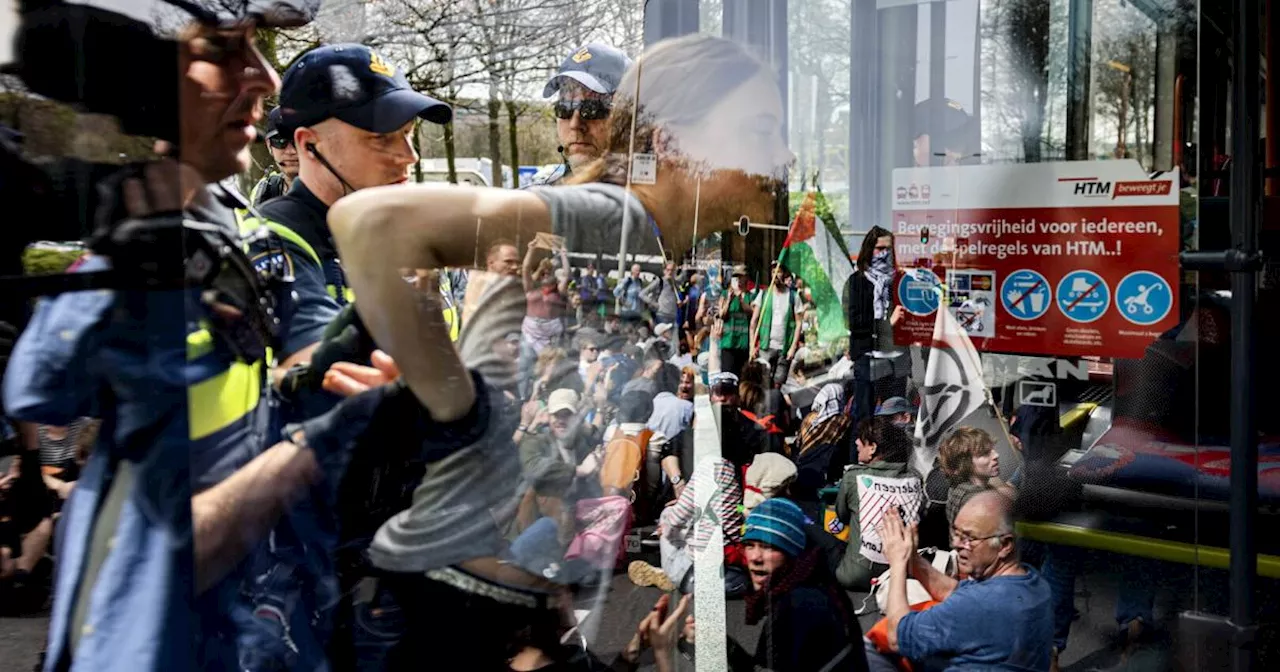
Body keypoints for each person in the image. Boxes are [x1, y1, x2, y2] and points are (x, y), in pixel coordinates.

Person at [3, 1, 331, 667]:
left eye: (258, 50)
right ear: (134, 78)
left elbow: (313, 337)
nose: (265, 79)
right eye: (221, 51)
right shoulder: (121, 234)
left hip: (244, 598)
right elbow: (42, 388)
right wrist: (131, 247)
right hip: (137, 614)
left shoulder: (247, 233)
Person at [246, 43, 455, 396]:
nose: (410, 156)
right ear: (309, 145)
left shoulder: (403, 226)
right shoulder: (272, 235)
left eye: (408, 132)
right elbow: (321, 373)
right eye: (382, 138)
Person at [680, 498, 870, 672]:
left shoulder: (799, 604)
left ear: (792, 552)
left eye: (768, 546)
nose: (755, 557)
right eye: (749, 545)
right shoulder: (813, 586)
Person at [871, 491, 1053, 670]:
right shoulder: (1034, 584)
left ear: (1005, 545)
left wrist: (897, 563)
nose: (956, 545)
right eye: (955, 534)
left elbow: (896, 636)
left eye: (969, 538)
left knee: (870, 650)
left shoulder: (977, 605)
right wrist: (913, 558)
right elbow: (953, 591)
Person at [528, 43, 633, 187]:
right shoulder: (541, 199)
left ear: (627, 119)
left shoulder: (645, 201)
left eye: (592, 109)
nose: (575, 124)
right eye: (565, 109)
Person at [834, 417, 918, 590]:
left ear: (872, 447)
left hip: (856, 575)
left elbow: (842, 516)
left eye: (861, 439)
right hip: (903, 573)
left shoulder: (853, 477)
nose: (856, 442)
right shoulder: (915, 479)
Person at [843, 226, 908, 422]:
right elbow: (853, 322)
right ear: (869, 249)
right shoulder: (857, 282)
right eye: (880, 248)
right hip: (868, 358)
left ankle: (889, 453)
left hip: (895, 360)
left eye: (889, 249)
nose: (884, 254)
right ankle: (863, 453)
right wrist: (887, 323)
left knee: (894, 422)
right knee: (864, 420)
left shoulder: (900, 282)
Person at [939, 426, 1016, 524]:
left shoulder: (958, 488)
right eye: (984, 454)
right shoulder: (979, 502)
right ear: (964, 463)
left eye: (992, 449)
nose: (996, 455)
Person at [750, 261, 802, 388]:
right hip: (765, 347)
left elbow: (799, 323)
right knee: (763, 382)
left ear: (784, 274)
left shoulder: (793, 296)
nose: (776, 275)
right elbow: (753, 322)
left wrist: (793, 347)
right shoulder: (764, 295)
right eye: (773, 272)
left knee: (778, 383)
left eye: (778, 271)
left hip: (784, 348)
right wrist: (752, 345)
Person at [249, 107, 297, 205]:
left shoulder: (332, 190)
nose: (290, 151)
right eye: (279, 141)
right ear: (269, 145)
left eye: (296, 141)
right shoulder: (262, 191)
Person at [718, 266, 754, 376]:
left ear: (746, 278)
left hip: (743, 344)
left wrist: (740, 299)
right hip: (728, 342)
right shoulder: (725, 294)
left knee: (742, 376)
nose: (738, 280)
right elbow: (721, 315)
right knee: (728, 376)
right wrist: (729, 300)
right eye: (735, 277)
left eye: (740, 276)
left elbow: (751, 312)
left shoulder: (750, 296)